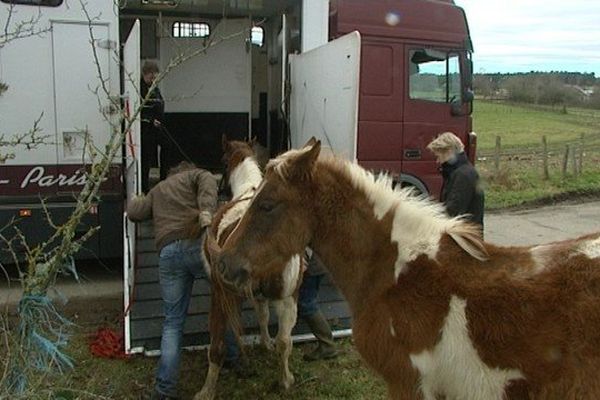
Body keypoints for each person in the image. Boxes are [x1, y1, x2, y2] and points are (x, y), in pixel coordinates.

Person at [127, 161, 240, 400]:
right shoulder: (198, 174)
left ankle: (164, 390)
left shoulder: (158, 190)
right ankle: (232, 356)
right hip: (196, 245)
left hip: (168, 253)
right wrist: (207, 212)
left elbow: (135, 213)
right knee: (225, 301)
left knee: (173, 322)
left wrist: (136, 197)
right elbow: (209, 180)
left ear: (171, 173)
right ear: (188, 169)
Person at [427, 131, 485, 230]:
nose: (438, 161)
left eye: (439, 156)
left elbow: (453, 211)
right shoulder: (460, 172)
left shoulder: (463, 175)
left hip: (465, 237)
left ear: (449, 151)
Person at [298, 249, 338, 361]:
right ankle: (327, 344)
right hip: (319, 262)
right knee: (305, 301)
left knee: (306, 303)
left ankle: (328, 345)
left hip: (313, 265)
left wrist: (304, 259)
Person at [140, 60, 165, 193]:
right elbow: (139, 109)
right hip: (146, 130)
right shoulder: (140, 89)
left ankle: (163, 178)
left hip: (156, 129)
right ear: (145, 74)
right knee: (145, 160)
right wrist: (150, 120)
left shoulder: (153, 87)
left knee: (166, 149)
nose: (153, 79)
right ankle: (144, 186)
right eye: (151, 77)